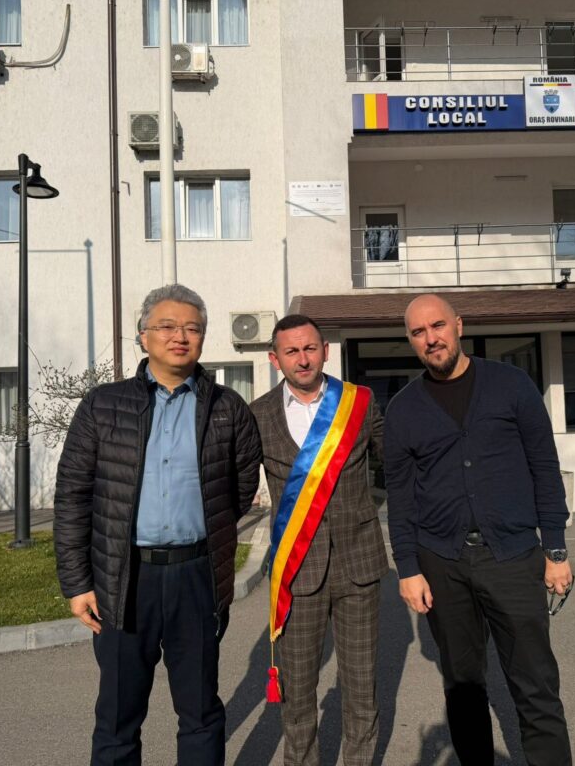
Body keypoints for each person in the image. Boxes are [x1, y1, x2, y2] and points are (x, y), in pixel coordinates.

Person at [53, 283, 262, 766]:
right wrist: (77, 582)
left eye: (192, 328)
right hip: (125, 581)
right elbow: (73, 498)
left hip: (197, 579)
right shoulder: (102, 406)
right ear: (143, 337)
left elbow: (237, 491)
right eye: (167, 326)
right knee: (118, 716)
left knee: (201, 713)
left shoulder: (228, 408)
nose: (180, 336)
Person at [383, 294, 573, 766]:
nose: (431, 338)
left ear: (459, 326)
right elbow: (400, 497)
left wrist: (555, 548)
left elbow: (544, 469)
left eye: (438, 326)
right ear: (410, 340)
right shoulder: (404, 409)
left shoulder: (511, 385)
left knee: (535, 684)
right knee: (464, 687)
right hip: (441, 563)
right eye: (418, 332)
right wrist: (407, 568)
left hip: (511, 556)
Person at [249, 314, 387, 766]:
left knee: (361, 688)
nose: (302, 358)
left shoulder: (360, 403)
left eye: (310, 348)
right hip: (297, 574)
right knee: (299, 692)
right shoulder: (259, 415)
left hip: (359, 567)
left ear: (325, 350)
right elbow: (232, 484)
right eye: (291, 351)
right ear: (275, 359)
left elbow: (401, 468)